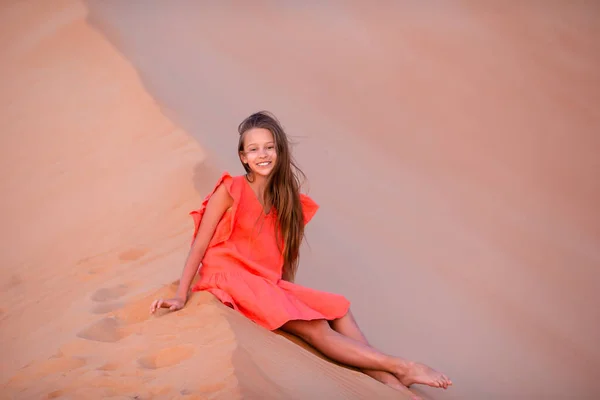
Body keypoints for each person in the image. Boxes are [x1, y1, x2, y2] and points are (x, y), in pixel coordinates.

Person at [150, 111, 451, 397]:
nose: (262, 154)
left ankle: (389, 381)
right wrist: (180, 294)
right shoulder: (230, 190)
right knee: (317, 327)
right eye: (253, 149)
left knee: (338, 309)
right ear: (243, 157)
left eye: (269, 147)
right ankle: (403, 366)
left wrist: (289, 295)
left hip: (263, 282)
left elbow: (285, 255)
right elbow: (199, 244)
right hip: (228, 278)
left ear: (279, 151)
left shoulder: (286, 199)